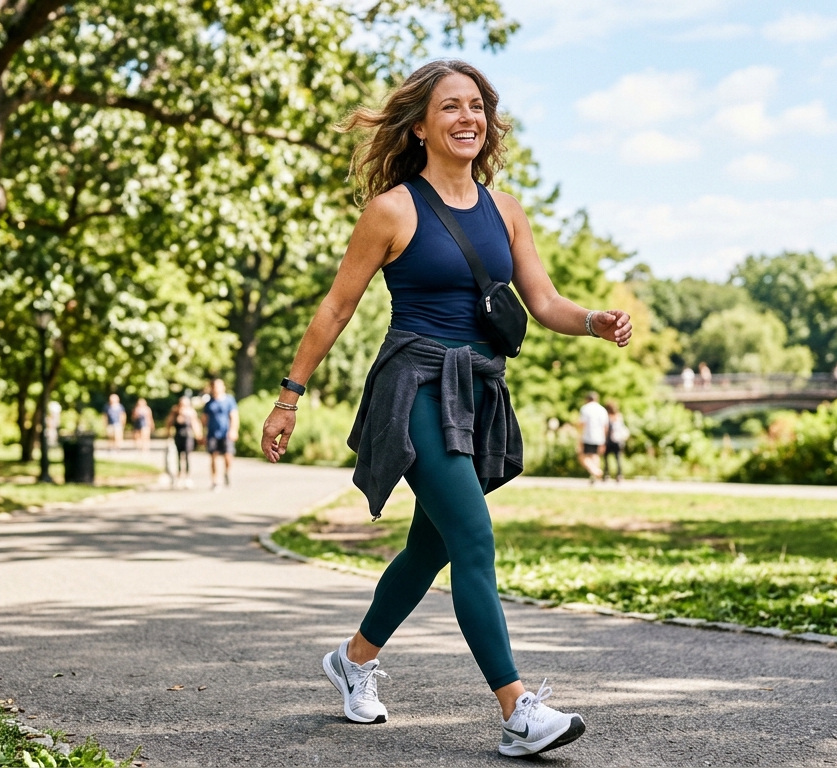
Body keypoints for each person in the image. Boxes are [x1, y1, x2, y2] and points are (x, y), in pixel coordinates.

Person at [258, 59, 632, 758]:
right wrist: (289, 398)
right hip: (416, 388)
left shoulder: (505, 209)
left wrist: (593, 321)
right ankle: (518, 713)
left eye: (477, 106)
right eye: (451, 107)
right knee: (473, 539)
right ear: (421, 127)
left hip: (478, 390)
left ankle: (354, 658)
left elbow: (543, 301)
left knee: (432, 545)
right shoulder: (393, 209)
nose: (468, 118)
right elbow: (337, 307)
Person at [201, 378, 239, 490]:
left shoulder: (229, 400)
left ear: (223, 387)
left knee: (228, 456)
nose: (216, 389)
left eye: (218, 386)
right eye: (214, 387)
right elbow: (204, 419)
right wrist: (203, 433)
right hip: (212, 434)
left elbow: (234, 416)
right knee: (213, 456)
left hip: (226, 433)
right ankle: (215, 481)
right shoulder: (209, 403)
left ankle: (227, 472)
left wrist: (233, 430)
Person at [167, 395, 200, 489]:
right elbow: (169, 422)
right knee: (178, 457)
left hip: (188, 436)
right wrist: (168, 434)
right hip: (178, 436)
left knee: (187, 456)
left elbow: (194, 423)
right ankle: (178, 477)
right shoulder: (175, 412)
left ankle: (188, 477)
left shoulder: (191, 412)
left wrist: (198, 435)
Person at [578, 391, 608, 483]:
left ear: (587, 399)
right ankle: (593, 476)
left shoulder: (585, 408)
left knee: (582, 456)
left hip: (588, 436)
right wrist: (604, 440)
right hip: (599, 437)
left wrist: (579, 436)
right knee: (595, 456)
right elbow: (605, 426)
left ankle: (595, 471)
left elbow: (582, 424)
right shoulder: (602, 410)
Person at [605, 401, 629, 482]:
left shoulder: (607, 417)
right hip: (618, 440)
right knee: (618, 458)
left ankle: (606, 474)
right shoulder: (619, 416)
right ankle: (619, 474)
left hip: (609, 440)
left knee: (606, 458)